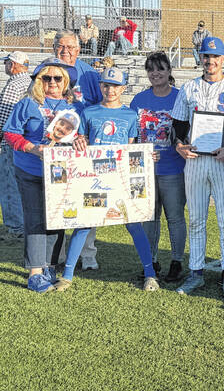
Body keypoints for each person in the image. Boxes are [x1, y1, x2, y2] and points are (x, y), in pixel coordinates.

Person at [54, 67, 160, 292]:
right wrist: (78, 142)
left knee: (134, 225)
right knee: (84, 223)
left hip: (120, 179)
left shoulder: (131, 115)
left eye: (115, 86)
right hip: (94, 179)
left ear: (123, 88)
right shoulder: (88, 112)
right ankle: (67, 275)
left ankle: (150, 274)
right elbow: (80, 141)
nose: (110, 89)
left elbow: (132, 146)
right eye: (106, 85)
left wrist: (145, 157)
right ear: (101, 86)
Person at [171, 36, 224, 298]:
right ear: (200, 58)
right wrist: (179, 146)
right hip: (194, 161)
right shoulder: (188, 88)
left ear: (223, 59)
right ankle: (196, 273)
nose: (210, 61)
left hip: (223, 159)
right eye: (206, 56)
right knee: (196, 220)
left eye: (215, 56)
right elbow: (178, 127)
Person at [2, 59, 82, 292]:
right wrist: (32, 148)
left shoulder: (75, 108)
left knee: (58, 218)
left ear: (65, 81)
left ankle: (50, 265)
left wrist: (80, 139)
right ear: (39, 80)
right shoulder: (27, 104)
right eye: (47, 78)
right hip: (30, 169)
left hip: (62, 173)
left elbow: (81, 135)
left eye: (58, 78)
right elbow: (10, 133)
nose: (52, 82)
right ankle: (35, 272)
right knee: (35, 218)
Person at [130, 52, 187, 282]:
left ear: (169, 71)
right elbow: (132, 135)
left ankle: (176, 260)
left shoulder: (180, 98)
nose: (156, 73)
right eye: (151, 69)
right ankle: (151, 259)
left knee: (174, 217)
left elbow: (187, 131)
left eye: (161, 68)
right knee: (149, 217)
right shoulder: (139, 100)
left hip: (173, 167)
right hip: (145, 170)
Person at [54, 29, 103, 270]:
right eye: (61, 47)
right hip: (55, 148)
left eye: (70, 48)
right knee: (58, 201)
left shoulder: (90, 74)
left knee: (88, 199)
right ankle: (58, 255)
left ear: (78, 49)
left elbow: (99, 107)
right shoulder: (47, 71)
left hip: (83, 146)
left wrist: (83, 133)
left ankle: (88, 255)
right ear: (54, 48)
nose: (65, 52)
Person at [0, 52, 31, 238]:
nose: (4, 65)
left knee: (8, 184)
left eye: (6, 62)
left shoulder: (13, 85)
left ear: (13, 65)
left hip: (10, 141)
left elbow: (4, 117)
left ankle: (15, 227)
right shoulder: (30, 81)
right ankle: (23, 224)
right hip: (25, 142)